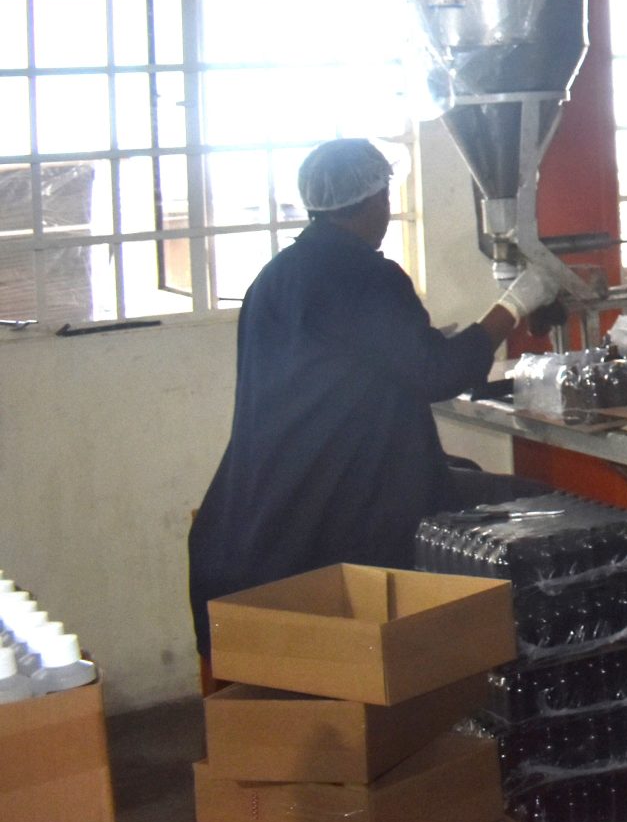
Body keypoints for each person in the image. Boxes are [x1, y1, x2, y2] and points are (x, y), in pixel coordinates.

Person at [189, 138, 554, 654]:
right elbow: (437, 374)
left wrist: (426, 343)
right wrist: (515, 304)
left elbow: (342, 362)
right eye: (385, 194)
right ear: (373, 200)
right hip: (339, 515)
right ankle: (511, 664)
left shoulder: (275, 278)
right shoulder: (365, 275)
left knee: (464, 470)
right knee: (541, 507)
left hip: (259, 514)